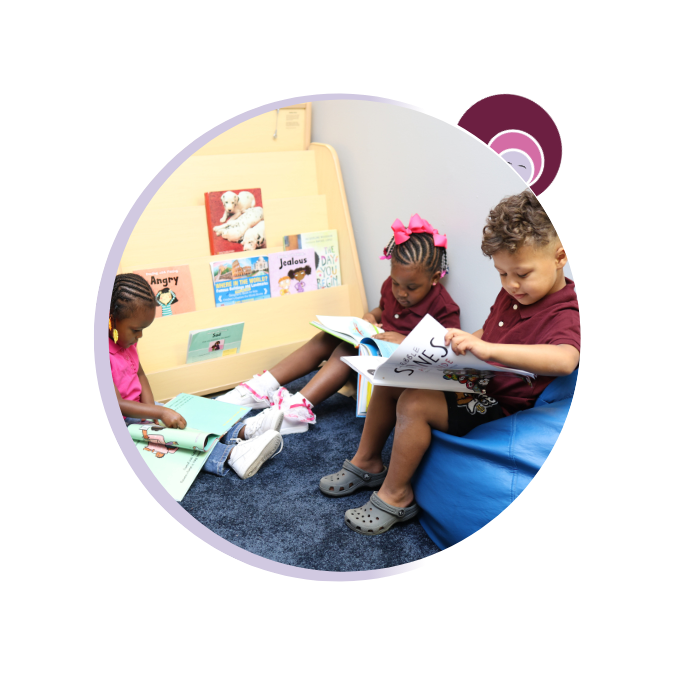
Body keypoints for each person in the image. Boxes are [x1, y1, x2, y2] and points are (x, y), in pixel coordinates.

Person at [324, 191, 581, 535]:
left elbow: (565, 360)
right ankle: (367, 461)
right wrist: (460, 343)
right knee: (392, 376)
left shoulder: (564, 310)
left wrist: (487, 349)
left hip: (501, 407)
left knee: (415, 402)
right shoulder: (514, 294)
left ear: (560, 256)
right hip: (476, 381)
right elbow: (488, 334)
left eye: (521, 273)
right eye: (502, 274)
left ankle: (397, 496)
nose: (511, 285)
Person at [217, 214, 461, 434]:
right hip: (371, 361)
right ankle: (262, 387)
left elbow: (446, 358)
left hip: (399, 379)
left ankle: (297, 410)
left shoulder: (444, 307)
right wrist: (371, 316)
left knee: (347, 349)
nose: (401, 293)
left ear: (435, 279)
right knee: (330, 337)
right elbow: (384, 308)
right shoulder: (391, 287)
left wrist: (404, 342)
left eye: (411, 288)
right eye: (396, 283)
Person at [109, 273, 284, 480]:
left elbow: (140, 373)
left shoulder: (126, 340)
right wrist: (156, 413)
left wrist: (153, 412)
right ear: (111, 319)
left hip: (139, 409)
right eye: (136, 330)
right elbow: (115, 404)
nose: (140, 336)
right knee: (169, 441)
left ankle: (244, 431)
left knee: (182, 415)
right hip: (120, 421)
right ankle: (232, 456)